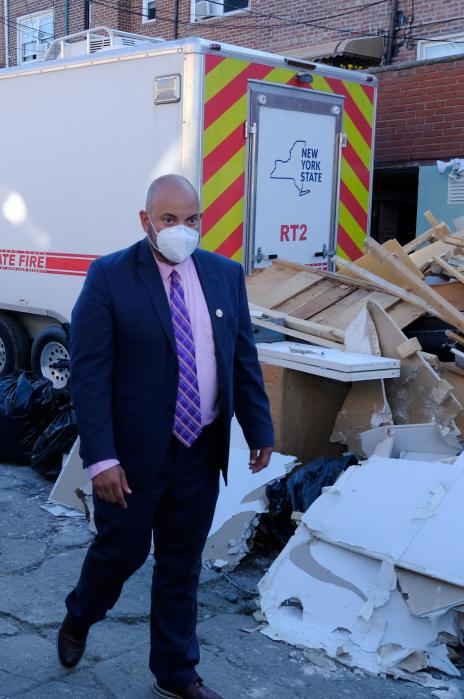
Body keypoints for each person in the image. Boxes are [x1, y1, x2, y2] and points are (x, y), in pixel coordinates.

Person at [57, 175, 274, 699]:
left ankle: (176, 672)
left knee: (181, 563)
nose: (181, 230)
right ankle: (81, 613)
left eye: (191, 219)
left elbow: (240, 358)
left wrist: (259, 427)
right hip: (130, 457)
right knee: (122, 552)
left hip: (199, 450)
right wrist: (100, 457)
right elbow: (89, 375)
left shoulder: (223, 275)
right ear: (146, 221)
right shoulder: (110, 276)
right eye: (169, 220)